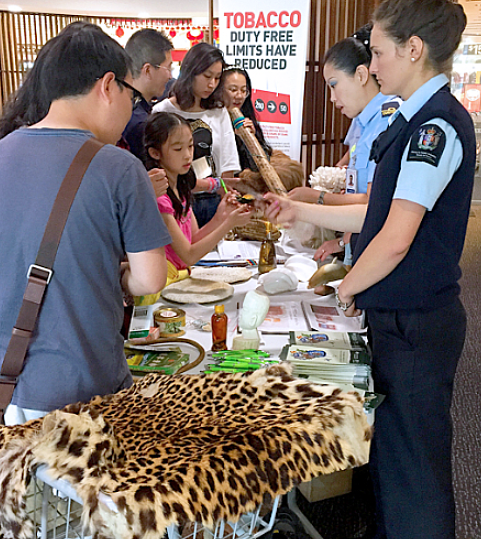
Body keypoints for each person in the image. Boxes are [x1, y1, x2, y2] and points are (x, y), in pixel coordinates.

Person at [263, 1, 474, 538]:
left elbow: (396, 239)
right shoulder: (412, 120)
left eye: (379, 54)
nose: (373, 67)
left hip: (416, 322)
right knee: (395, 459)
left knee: (415, 468)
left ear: (413, 49)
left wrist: (347, 290)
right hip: (400, 317)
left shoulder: (435, 127)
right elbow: (373, 212)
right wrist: (301, 208)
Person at [0, 22, 171, 425]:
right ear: (109, 85)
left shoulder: (3, 150)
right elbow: (150, 281)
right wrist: (115, 275)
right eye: (132, 95)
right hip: (83, 391)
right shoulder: (119, 167)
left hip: (10, 388)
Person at [289, 25, 400, 264]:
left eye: (334, 84)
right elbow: (350, 166)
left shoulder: (386, 121)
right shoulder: (362, 120)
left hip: (378, 249)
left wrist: (315, 197)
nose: (332, 97)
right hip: (359, 238)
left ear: (361, 75)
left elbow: (372, 202)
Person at [144, 112, 252, 269]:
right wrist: (229, 224)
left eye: (190, 146)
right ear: (155, 153)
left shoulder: (180, 188)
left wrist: (221, 215)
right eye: (178, 149)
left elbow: (194, 239)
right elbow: (189, 255)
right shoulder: (160, 198)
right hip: (166, 284)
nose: (188, 155)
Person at [153, 43, 240, 228]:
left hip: (211, 200)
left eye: (217, 78)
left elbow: (227, 162)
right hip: (173, 200)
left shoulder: (218, 112)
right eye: (207, 76)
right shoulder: (163, 111)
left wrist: (226, 198)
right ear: (190, 72)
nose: (212, 84)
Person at [122, 28, 173, 161]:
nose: (170, 76)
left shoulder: (124, 107)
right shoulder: (139, 122)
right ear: (148, 70)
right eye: (168, 68)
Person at [221, 67, 272, 172]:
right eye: (233, 90)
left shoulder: (246, 119)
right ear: (219, 91)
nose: (239, 96)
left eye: (244, 91)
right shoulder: (211, 120)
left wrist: (249, 139)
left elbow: (262, 167)